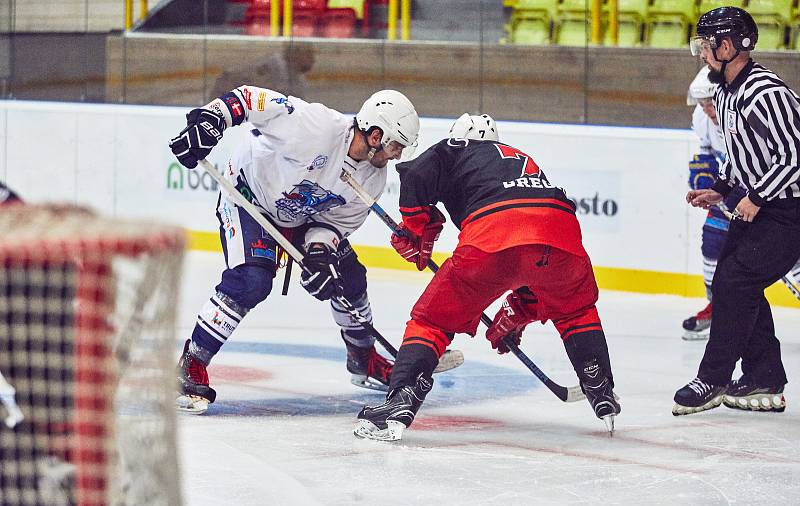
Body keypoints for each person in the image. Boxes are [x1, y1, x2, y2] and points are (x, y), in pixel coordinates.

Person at [354, 113, 620, 441]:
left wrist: (415, 227)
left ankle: (401, 400)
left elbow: (415, 174)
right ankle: (600, 386)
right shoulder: (521, 159)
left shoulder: (457, 147)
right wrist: (519, 310)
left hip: (494, 237)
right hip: (562, 238)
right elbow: (531, 253)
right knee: (576, 310)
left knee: (432, 321)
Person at [168, 86, 420, 414]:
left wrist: (319, 254)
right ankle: (192, 362)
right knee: (251, 281)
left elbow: (333, 224)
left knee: (349, 277)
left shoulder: (372, 179)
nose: (397, 155)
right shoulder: (315, 127)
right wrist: (213, 118)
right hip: (249, 198)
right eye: (395, 145)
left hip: (301, 214)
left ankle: (363, 359)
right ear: (375, 135)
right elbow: (248, 99)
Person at [674, 7, 800, 416]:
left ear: (727, 46)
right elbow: (742, 154)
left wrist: (757, 196)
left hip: (789, 208)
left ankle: (713, 377)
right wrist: (720, 190)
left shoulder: (766, 92)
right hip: (764, 204)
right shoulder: (725, 91)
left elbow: (793, 156)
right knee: (735, 281)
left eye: (705, 45)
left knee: (736, 278)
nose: (701, 53)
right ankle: (764, 375)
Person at [681, 66, 747, 340]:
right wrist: (703, 174)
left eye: (711, 103)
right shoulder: (703, 118)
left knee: (790, 259)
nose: (707, 110)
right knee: (712, 241)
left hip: (767, 194)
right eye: (702, 104)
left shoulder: (745, 114)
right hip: (731, 190)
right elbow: (707, 152)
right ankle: (717, 307)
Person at [211, 43, 316, 100]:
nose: (313, 59)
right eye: (309, 54)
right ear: (296, 53)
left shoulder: (297, 77)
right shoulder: (267, 71)